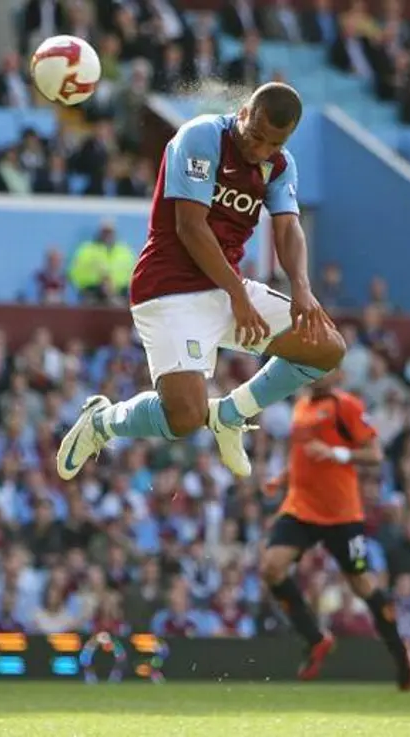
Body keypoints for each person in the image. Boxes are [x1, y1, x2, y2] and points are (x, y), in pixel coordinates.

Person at [56, 82, 345, 483]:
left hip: (227, 288)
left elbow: (288, 228)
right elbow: (190, 228)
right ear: (243, 113)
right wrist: (238, 294)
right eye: (256, 136)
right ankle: (103, 421)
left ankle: (230, 414)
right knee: (187, 417)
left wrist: (301, 286)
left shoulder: (279, 166)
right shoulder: (202, 136)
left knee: (326, 349)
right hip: (168, 290)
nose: (261, 150)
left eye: (274, 144)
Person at [261, 371, 410, 689]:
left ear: (337, 374)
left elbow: (375, 454)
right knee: (271, 567)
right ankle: (316, 638)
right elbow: (304, 455)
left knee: (362, 585)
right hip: (301, 508)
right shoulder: (301, 405)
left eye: (321, 367)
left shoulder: (346, 406)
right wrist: (285, 477)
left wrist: (337, 453)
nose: (314, 373)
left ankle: (400, 650)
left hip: (341, 514)